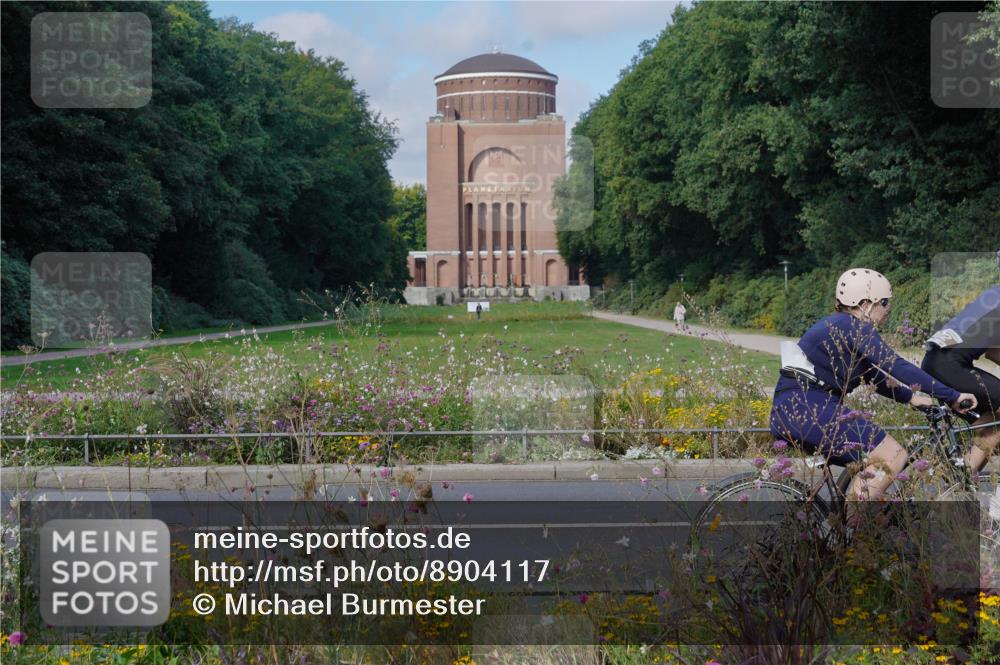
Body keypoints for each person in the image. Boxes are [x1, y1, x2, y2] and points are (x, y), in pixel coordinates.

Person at [769, 268, 977, 502]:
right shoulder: (852, 326)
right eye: (885, 303)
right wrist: (952, 396)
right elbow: (895, 365)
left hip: (796, 409)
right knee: (894, 456)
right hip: (808, 408)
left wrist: (912, 397)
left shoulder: (840, 326)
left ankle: (843, 527)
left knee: (872, 461)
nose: (888, 310)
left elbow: (873, 377)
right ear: (866, 303)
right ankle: (856, 535)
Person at [920, 284, 1000, 473]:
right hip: (950, 365)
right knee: (995, 425)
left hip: (933, 362)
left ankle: (962, 482)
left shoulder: (992, 296)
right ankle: (963, 473)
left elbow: (993, 351)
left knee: (992, 428)